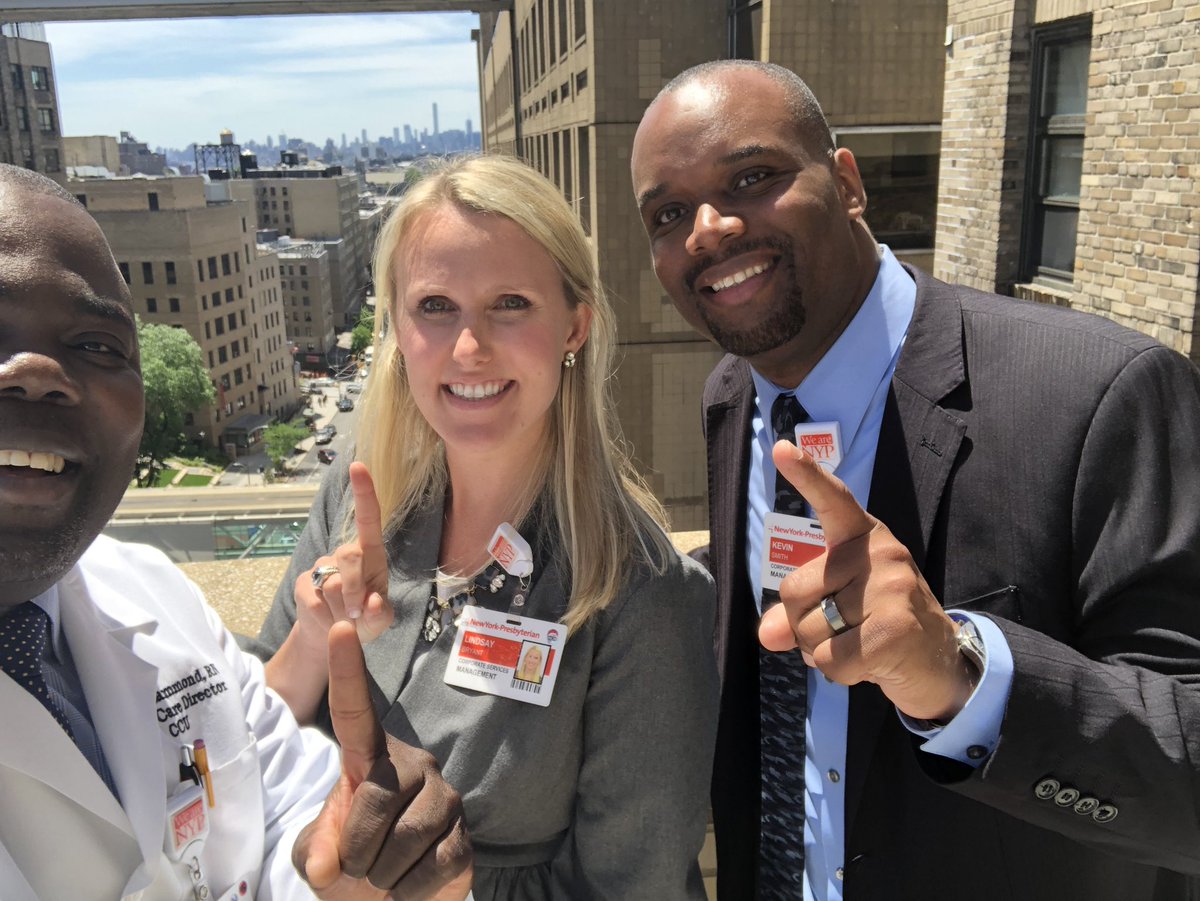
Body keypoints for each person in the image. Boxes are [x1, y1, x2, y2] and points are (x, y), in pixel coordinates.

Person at [630, 59, 1200, 900]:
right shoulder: (732, 398)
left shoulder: (1100, 394)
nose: (707, 229)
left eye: (752, 177)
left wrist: (962, 674)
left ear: (847, 183)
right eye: (668, 214)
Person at [0, 164, 471, 901]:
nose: (37, 370)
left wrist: (353, 869)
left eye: (96, 345)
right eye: (435, 306)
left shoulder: (157, 594)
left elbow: (290, 820)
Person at [256, 154, 719, 900]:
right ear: (397, 328)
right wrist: (314, 635)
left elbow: (635, 888)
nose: (469, 348)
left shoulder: (642, 593)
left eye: (510, 303)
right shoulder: (355, 498)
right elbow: (247, 735)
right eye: (436, 306)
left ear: (574, 326)